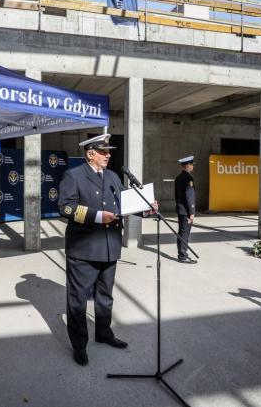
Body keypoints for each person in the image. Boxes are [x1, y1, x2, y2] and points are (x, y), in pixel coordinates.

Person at [58, 134, 155, 366]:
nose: (108, 155)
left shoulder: (112, 176)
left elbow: (124, 202)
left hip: (110, 247)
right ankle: (79, 345)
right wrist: (98, 216)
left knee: (105, 296)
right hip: (84, 250)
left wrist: (146, 209)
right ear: (90, 154)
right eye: (103, 152)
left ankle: (103, 332)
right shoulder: (74, 175)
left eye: (109, 151)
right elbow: (65, 207)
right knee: (78, 300)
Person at [174, 156, 196, 263]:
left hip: (180, 209)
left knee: (181, 232)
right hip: (186, 211)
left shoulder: (178, 177)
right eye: (191, 165)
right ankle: (183, 256)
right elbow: (190, 196)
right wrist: (191, 212)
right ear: (187, 165)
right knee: (185, 234)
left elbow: (176, 195)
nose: (192, 167)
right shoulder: (189, 178)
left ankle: (182, 254)